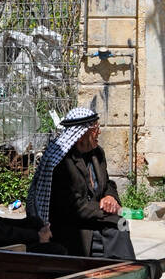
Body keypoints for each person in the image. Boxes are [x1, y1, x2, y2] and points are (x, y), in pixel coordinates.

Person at [27, 103, 136, 260]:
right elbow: (73, 206)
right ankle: (126, 272)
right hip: (73, 226)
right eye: (94, 130)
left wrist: (110, 198)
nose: (98, 132)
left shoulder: (97, 153)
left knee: (121, 224)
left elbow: (107, 184)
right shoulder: (61, 163)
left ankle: (126, 272)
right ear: (81, 135)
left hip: (94, 218)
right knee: (116, 228)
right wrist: (104, 211)